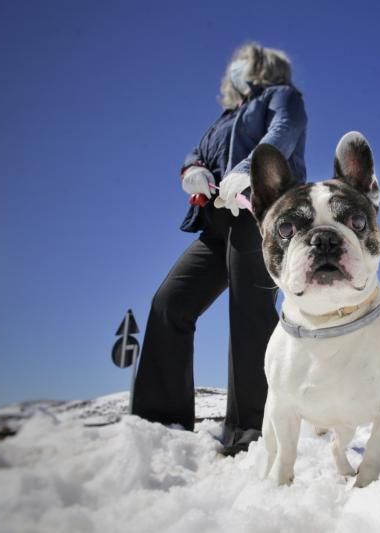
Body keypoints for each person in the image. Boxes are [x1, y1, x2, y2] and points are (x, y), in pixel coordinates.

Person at [131, 42, 307, 456]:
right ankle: (161, 425)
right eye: (234, 64)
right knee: (170, 303)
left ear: (263, 66)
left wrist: (248, 170)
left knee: (249, 311)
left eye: (243, 62)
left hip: (257, 212)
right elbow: (199, 152)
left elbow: (283, 132)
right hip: (216, 223)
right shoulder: (225, 117)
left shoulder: (282, 96)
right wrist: (192, 170)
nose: (236, 69)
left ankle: (254, 430)